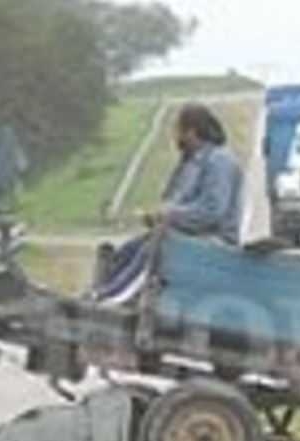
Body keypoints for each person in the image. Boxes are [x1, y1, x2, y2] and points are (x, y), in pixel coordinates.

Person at [95, 103, 245, 303]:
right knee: (132, 247)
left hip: (217, 240)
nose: (174, 136)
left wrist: (168, 215)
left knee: (154, 248)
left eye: (177, 130)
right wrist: (158, 218)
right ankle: (101, 291)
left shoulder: (219, 161)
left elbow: (212, 211)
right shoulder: (193, 161)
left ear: (190, 132)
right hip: (193, 234)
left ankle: (111, 297)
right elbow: (179, 204)